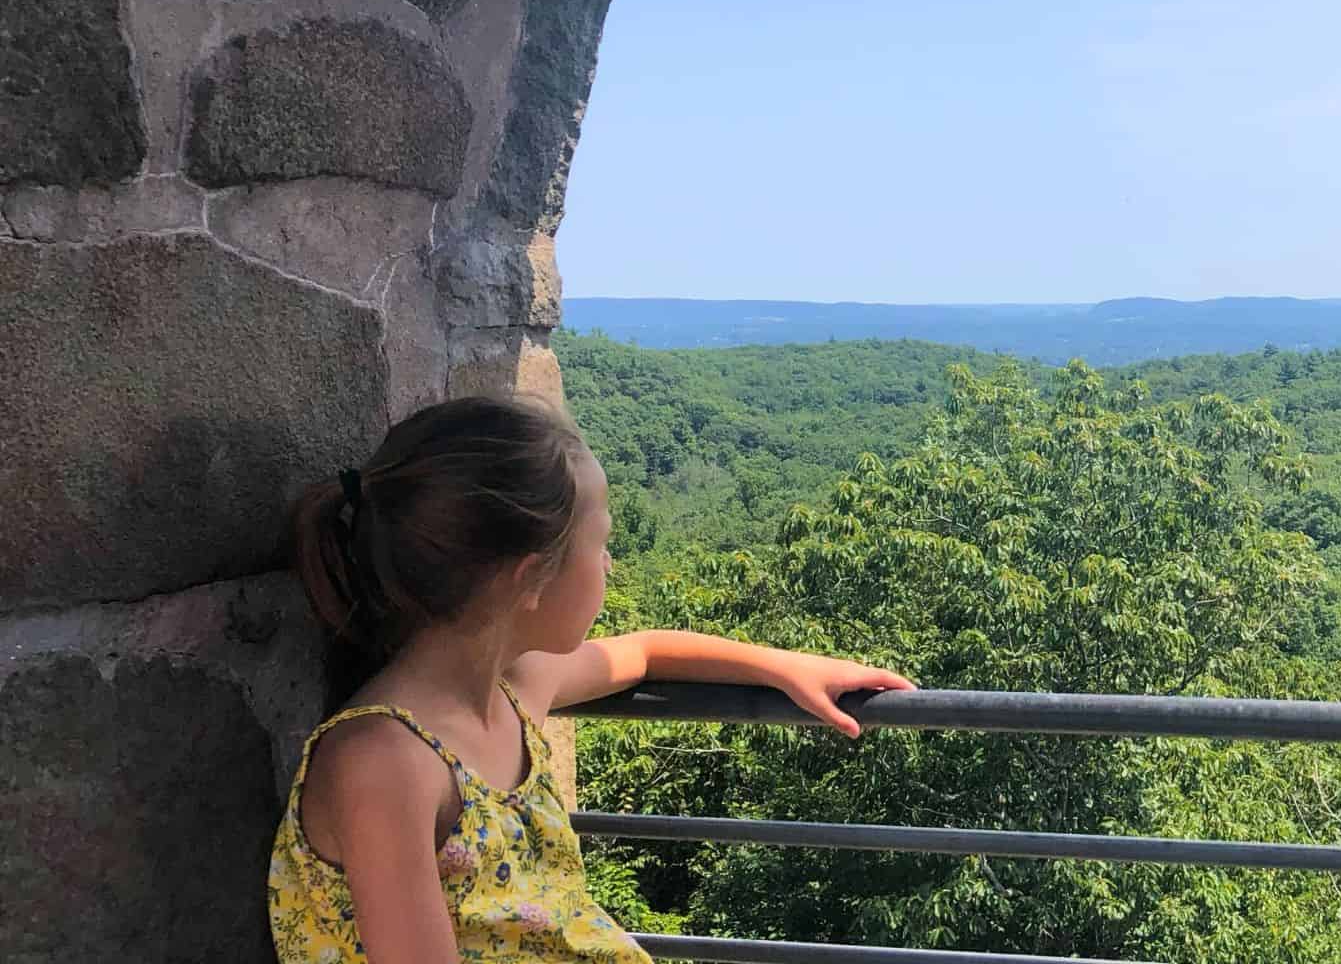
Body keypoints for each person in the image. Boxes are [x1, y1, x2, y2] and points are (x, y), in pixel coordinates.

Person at [267, 394, 915, 963]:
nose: (610, 563)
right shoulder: (387, 763)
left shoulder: (512, 690)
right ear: (529, 579)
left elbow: (644, 652)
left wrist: (785, 666)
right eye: (600, 545)